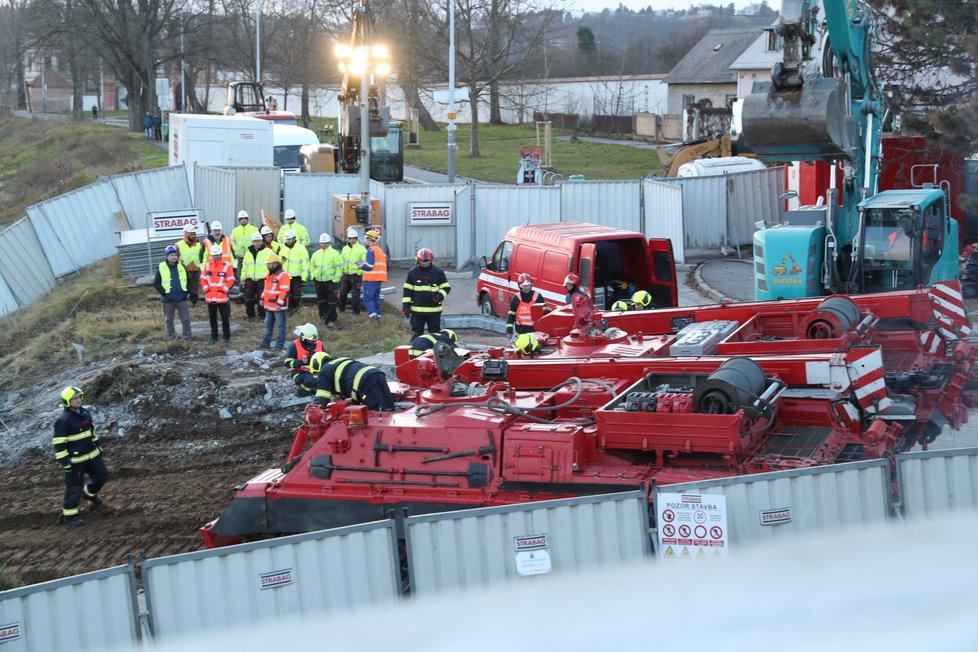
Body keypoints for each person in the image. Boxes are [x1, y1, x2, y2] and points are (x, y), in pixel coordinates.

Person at [53, 386, 111, 526]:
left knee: (102, 476)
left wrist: (98, 446)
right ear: (68, 401)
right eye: (74, 399)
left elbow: (92, 432)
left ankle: (89, 494)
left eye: (79, 397)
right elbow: (59, 444)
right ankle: (70, 516)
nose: (78, 400)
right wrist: (65, 462)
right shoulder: (64, 420)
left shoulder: (85, 412)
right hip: (75, 461)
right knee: (74, 487)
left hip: (92, 455)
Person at [310, 351, 395, 411]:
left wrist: (314, 411)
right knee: (389, 409)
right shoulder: (341, 360)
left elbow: (322, 398)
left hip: (365, 382)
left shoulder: (324, 371)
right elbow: (349, 380)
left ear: (317, 365)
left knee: (379, 416)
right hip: (377, 373)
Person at [402, 248, 451, 339]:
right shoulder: (413, 272)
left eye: (427, 263)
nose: (425, 265)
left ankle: (435, 352)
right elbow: (407, 290)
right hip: (417, 312)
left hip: (434, 312)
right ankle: (415, 352)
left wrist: (439, 296)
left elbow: (446, 287)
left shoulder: (438, 272)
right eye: (423, 263)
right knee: (416, 336)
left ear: (431, 261)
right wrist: (406, 307)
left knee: (435, 336)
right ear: (418, 261)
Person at [153, 244, 193, 341]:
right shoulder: (161, 267)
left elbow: (189, 280)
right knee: (169, 320)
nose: (174, 257)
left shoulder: (182, 266)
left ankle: (187, 338)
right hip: (168, 299)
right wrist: (164, 293)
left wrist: (186, 291)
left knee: (185, 319)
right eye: (171, 255)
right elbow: (156, 283)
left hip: (181, 298)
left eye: (175, 255)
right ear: (167, 256)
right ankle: (171, 338)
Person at [201, 244, 235, 343]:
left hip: (222, 298)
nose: (215, 257)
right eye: (214, 255)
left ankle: (226, 338)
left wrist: (224, 289)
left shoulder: (226, 266)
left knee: (225, 319)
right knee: (212, 319)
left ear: (220, 255)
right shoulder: (207, 266)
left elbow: (231, 280)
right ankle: (214, 337)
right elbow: (203, 280)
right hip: (210, 298)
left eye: (217, 255)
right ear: (211, 256)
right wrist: (207, 290)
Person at [310, 233, 341, 328]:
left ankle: (331, 320)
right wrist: (313, 276)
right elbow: (311, 266)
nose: (324, 244)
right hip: (319, 281)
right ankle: (323, 318)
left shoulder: (335, 254)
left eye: (326, 243)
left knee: (331, 302)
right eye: (322, 243)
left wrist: (335, 280)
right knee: (321, 301)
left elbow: (339, 268)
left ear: (329, 243)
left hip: (330, 282)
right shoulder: (316, 254)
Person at [261, 253, 291, 349]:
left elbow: (284, 291)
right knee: (267, 326)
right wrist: (262, 298)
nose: (269, 266)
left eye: (271, 264)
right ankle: (265, 343)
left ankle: (279, 345)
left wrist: (279, 303)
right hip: (269, 305)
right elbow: (265, 289)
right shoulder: (269, 275)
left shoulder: (284, 275)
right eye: (268, 264)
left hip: (279, 306)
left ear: (276, 264)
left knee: (280, 326)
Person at [284, 323, 323, 396]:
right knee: (310, 380)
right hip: (299, 372)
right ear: (303, 337)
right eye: (310, 340)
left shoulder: (319, 344)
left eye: (314, 340)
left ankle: (315, 391)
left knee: (326, 379)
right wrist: (300, 362)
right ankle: (301, 392)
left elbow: (324, 357)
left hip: (315, 371)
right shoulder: (294, 345)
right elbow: (287, 362)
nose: (312, 342)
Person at [505, 272, 548, 338]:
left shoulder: (538, 297)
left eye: (528, 285)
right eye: (524, 286)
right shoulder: (516, 299)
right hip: (520, 332)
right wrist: (509, 331)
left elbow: (544, 314)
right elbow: (511, 315)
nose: (526, 288)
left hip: (535, 332)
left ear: (531, 285)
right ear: (520, 286)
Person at [242, 232, 271, 320]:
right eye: (255, 241)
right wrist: (243, 279)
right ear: (252, 242)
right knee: (248, 299)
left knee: (261, 299)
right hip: (250, 279)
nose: (257, 243)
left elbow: (273, 265)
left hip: (263, 280)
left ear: (262, 241)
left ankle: (262, 316)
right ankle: (250, 316)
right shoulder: (248, 253)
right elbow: (245, 267)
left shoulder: (268, 252)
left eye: (259, 241)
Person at [360, 230, 387, 322]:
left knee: (368, 298)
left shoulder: (371, 250)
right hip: (378, 279)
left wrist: (361, 265)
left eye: (366, 239)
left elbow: (369, 266)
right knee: (376, 299)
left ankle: (373, 318)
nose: (365, 241)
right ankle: (378, 317)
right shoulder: (379, 250)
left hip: (371, 279)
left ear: (369, 239)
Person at [280, 229, 309, 315]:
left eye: (290, 239)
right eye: (287, 239)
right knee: (287, 295)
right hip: (285, 277)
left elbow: (305, 264)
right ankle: (288, 311)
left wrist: (303, 278)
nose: (288, 241)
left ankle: (295, 311)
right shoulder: (283, 249)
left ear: (294, 239)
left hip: (297, 277)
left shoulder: (301, 249)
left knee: (296, 296)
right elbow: (279, 263)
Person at [338, 227, 366, 316]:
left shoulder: (361, 249)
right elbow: (341, 260)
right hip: (345, 275)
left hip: (356, 275)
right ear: (348, 239)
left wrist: (359, 272)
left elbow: (364, 262)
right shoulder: (345, 249)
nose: (352, 240)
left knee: (355, 295)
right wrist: (341, 271)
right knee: (342, 293)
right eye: (350, 238)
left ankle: (356, 313)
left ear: (356, 239)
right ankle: (341, 310)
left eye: (353, 238)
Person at [175, 223, 203, 306]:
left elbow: (202, 256)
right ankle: (182, 302)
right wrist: (181, 263)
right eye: (191, 234)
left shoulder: (198, 245)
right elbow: (175, 257)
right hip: (184, 270)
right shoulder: (178, 245)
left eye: (194, 234)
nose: (193, 235)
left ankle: (194, 302)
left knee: (194, 287)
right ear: (186, 234)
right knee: (184, 286)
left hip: (196, 269)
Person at [230, 210, 258, 276]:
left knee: (250, 273)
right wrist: (236, 248)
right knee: (240, 273)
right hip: (240, 256)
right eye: (241, 219)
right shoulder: (235, 230)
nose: (243, 220)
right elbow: (232, 241)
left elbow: (257, 241)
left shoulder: (254, 229)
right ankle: (241, 285)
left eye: (245, 218)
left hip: (251, 255)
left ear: (247, 219)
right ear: (239, 220)